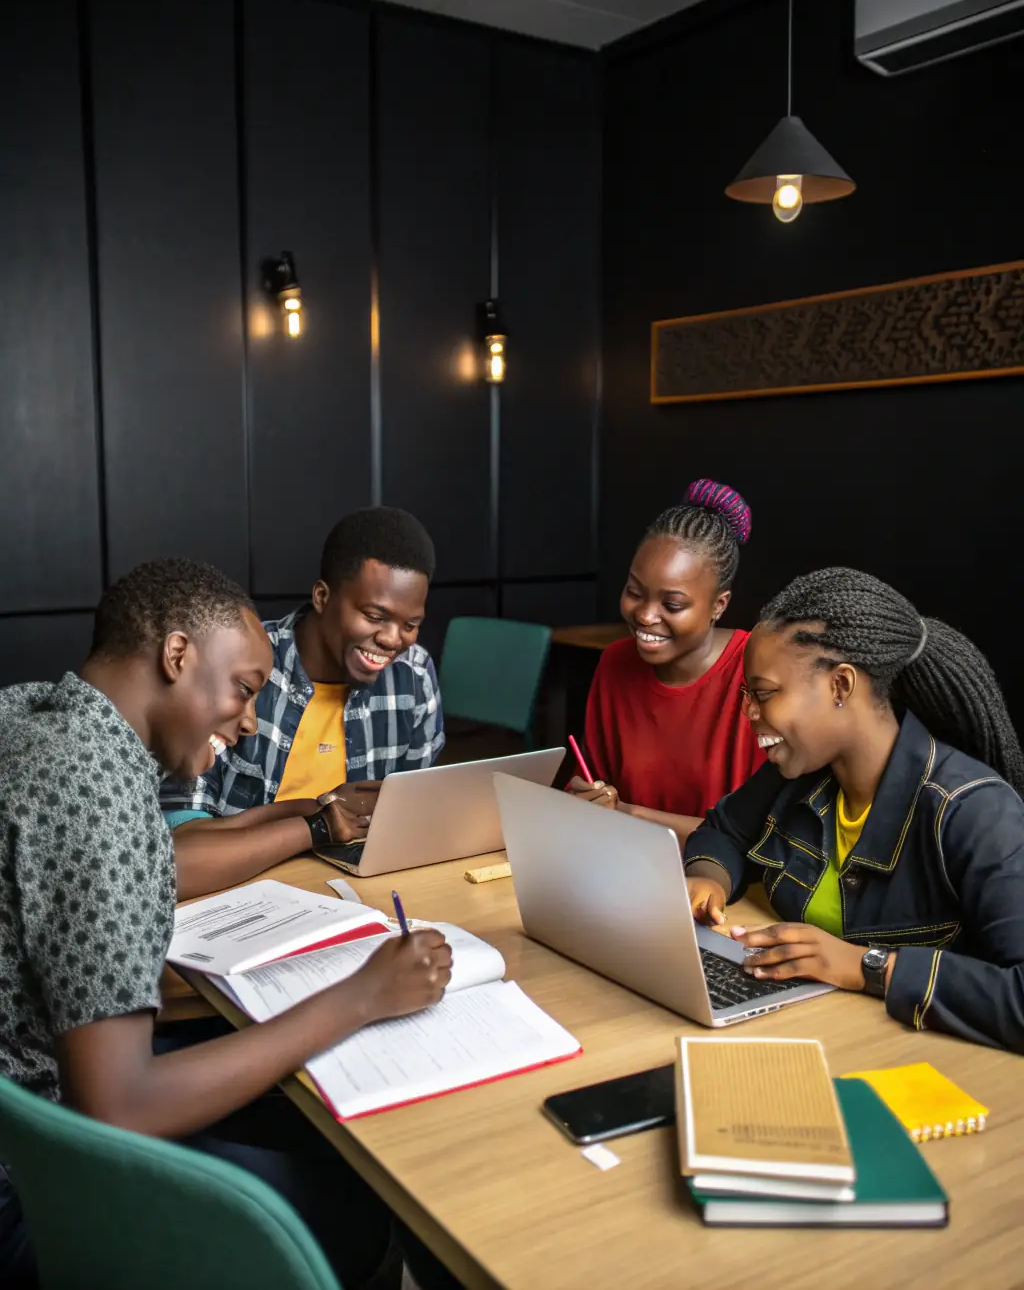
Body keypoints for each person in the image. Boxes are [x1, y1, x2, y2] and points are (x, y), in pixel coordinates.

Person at [0, 558, 458, 1289]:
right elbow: (119, 1106)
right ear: (177, 654)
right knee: (357, 1208)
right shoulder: (98, 798)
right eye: (244, 690)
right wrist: (361, 996)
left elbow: (147, 857)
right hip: (35, 1195)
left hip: (29, 1111)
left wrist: (303, 813)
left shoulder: (34, 717)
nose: (248, 724)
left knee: (299, 1121)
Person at [685, 567, 1024, 1054]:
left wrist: (866, 966)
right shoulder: (799, 772)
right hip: (811, 1034)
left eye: (764, 693)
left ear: (841, 685)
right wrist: (708, 880)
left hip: (917, 1062)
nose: (749, 712)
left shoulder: (973, 811)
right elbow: (725, 831)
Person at [161, 507, 445, 900]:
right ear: (323, 597)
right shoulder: (238, 668)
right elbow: (177, 838)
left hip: (358, 897)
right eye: (374, 616)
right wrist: (316, 815)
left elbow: (416, 818)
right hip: (233, 896)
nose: (393, 639)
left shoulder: (414, 675)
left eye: (410, 625)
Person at [569, 479, 762, 843]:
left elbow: (756, 838)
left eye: (672, 605)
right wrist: (587, 798)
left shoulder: (759, 671)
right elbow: (594, 784)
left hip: (719, 877)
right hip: (624, 861)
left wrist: (626, 813)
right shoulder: (615, 663)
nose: (645, 616)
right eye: (634, 592)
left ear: (719, 605)